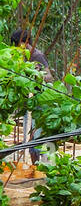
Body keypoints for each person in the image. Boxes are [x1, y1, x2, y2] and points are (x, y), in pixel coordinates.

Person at [9, 27, 54, 164]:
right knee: (32, 140)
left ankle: (46, 169)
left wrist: (37, 73)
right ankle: (35, 168)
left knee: (40, 137)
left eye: (19, 44)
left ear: (26, 42)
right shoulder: (20, 56)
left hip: (43, 99)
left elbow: (50, 77)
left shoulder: (36, 55)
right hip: (33, 99)